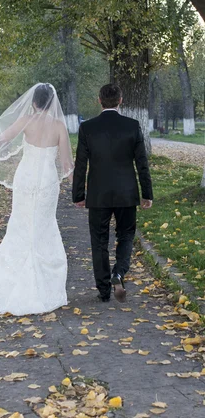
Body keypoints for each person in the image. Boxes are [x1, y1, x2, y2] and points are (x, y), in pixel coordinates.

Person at [0, 83, 74, 316]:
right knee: (44, 226)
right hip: (46, 183)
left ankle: (11, 284)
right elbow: (66, 165)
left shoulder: (26, 121)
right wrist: (79, 192)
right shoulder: (60, 126)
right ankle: (45, 288)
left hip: (26, 178)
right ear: (52, 102)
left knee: (21, 225)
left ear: (33, 102)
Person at [72, 83, 153, 303]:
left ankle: (104, 290)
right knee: (126, 235)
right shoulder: (132, 126)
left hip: (98, 195)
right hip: (127, 193)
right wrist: (147, 194)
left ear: (99, 100)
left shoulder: (87, 128)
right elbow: (142, 163)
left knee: (99, 241)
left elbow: (80, 164)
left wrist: (78, 195)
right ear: (120, 100)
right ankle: (119, 273)